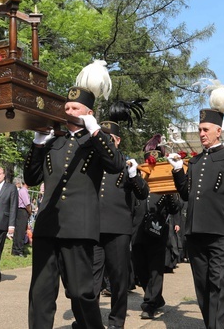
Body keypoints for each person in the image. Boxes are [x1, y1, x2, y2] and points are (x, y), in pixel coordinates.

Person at [24, 77, 124, 329]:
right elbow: (31, 178)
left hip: (79, 227)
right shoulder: (53, 142)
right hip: (48, 225)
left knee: (81, 292)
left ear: (88, 112)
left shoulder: (96, 142)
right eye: (67, 108)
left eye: (75, 108)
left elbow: (115, 164)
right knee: (41, 293)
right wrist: (37, 143)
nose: (69, 112)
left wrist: (95, 129)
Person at [169, 106, 224, 329]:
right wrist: (177, 171)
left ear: (218, 131)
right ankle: (213, 324)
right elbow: (186, 194)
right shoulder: (194, 162)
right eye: (199, 130)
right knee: (202, 285)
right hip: (195, 232)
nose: (201, 133)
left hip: (221, 233)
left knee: (219, 283)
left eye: (205, 129)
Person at [93, 120, 149, 329]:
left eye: (111, 138)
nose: (107, 141)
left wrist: (134, 175)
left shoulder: (126, 165)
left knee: (118, 280)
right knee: (92, 280)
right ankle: (91, 321)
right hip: (93, 228)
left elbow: (143, 193)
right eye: (104, 137)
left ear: (118, 141)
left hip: (118, 230)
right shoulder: (94, 163)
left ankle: (116, 322)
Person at [131, 192, 180, 320]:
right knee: (139, 268)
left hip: (157, 231)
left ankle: (150, 303)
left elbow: (175, 208)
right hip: (137, 230)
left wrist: (170, 193)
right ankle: (156, 297)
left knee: (155, 269)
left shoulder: (164, 185)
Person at [12, 177, 31, 257]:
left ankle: (16, 249)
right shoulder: (23, 191)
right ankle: (18, 250)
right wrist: (30, 212)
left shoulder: (23, 190)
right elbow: (27, 204)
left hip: (21, 211)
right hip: (22, 211)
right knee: (20, 232)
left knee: (19, 231)